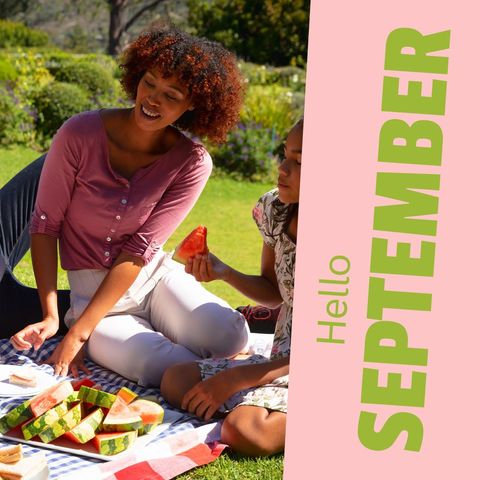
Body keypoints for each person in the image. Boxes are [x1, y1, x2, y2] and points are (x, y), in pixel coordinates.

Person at [9, 26, 249, 386]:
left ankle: (228, 364)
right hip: (92, 299)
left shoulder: (193, 162)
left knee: (230, 336)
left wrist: (77, 338)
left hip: (153, 279)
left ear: (192, 104)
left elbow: (139, 250)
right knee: (159, 369)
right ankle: (221, 370)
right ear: (137, 76)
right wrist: (57, 320)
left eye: (171, 95)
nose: (153, 99)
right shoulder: (78, 135)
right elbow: (45, 226)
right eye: (149, 83)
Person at [160, 118, 303, 457]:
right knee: (175, 380)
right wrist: (223, 271)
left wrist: (239, 379)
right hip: (282, 357)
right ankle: (259, 400)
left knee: (245, 430)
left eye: (299, 161)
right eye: (284, 155)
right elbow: (273, 291)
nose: (282, 168)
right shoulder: (275, 209)